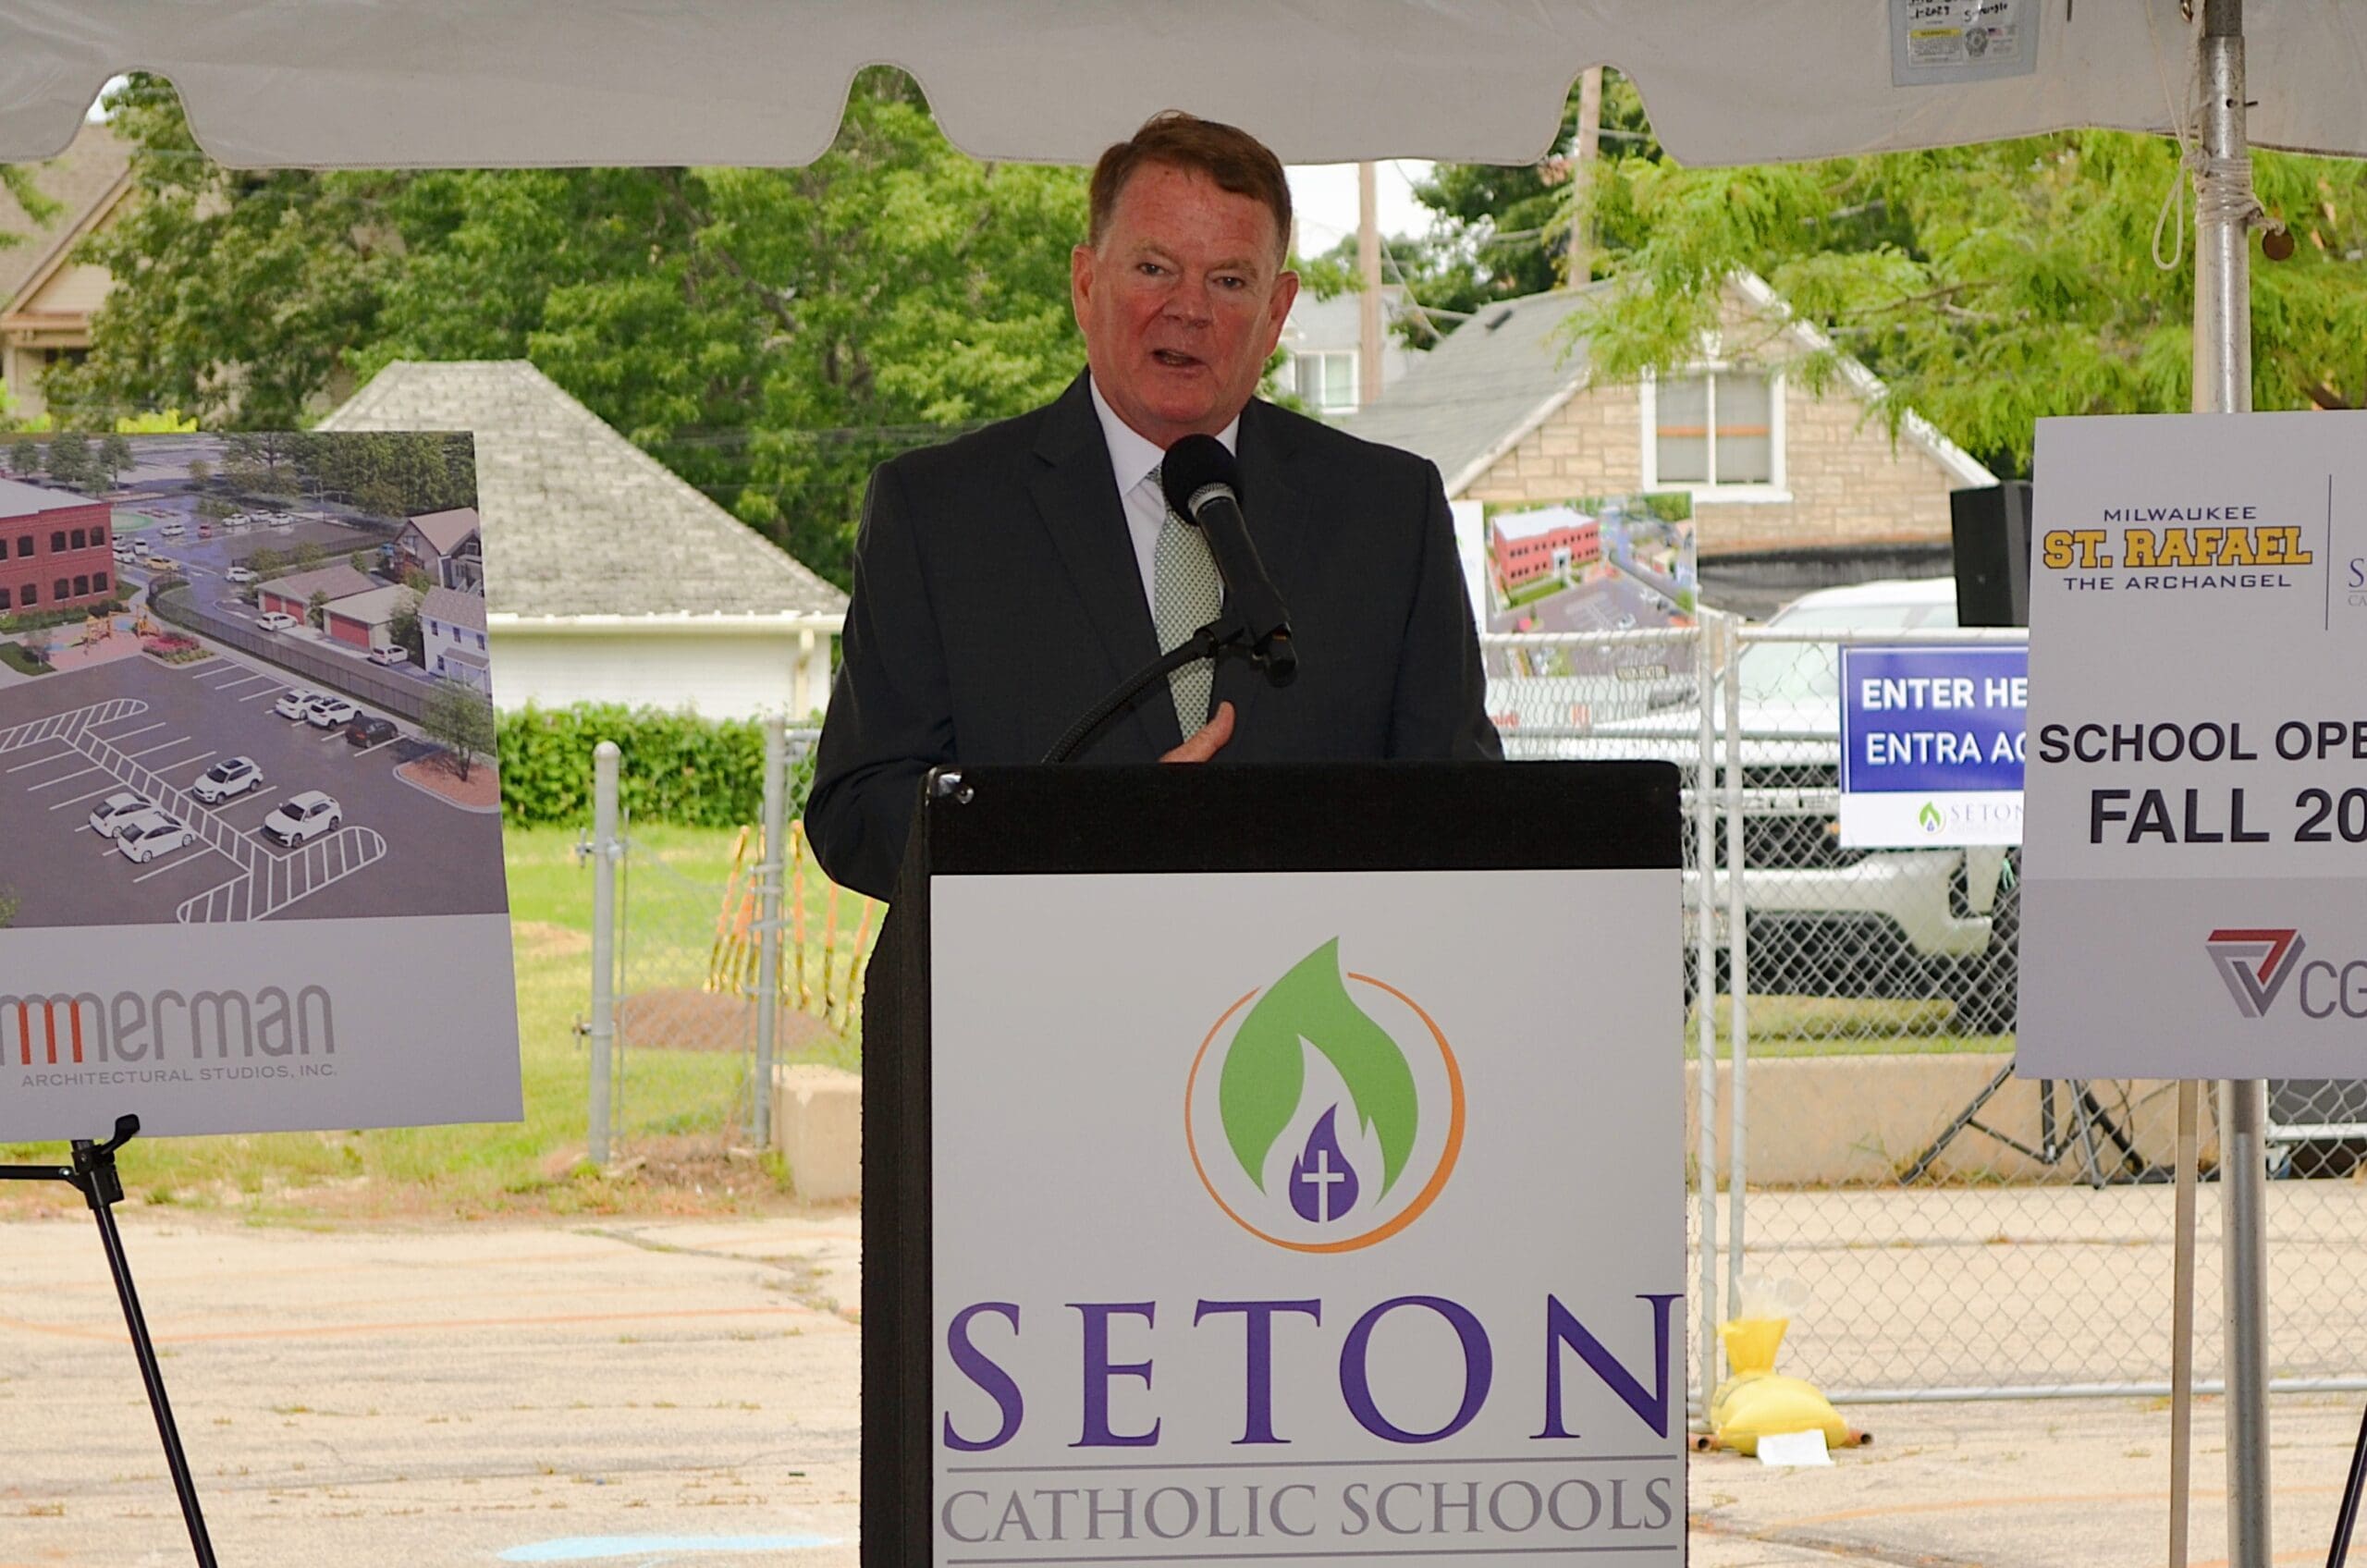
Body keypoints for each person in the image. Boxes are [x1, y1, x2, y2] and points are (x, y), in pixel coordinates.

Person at [805, 110, 1500, 902]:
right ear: (1085, 285)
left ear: (1276, 312)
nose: (1189, 309)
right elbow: (857, 808)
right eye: (1154, 268)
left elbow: (1468, 811)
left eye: (1229, 281)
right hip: (1043, 976)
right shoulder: (939, 514)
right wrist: (1082, 835)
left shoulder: (1389, 516)